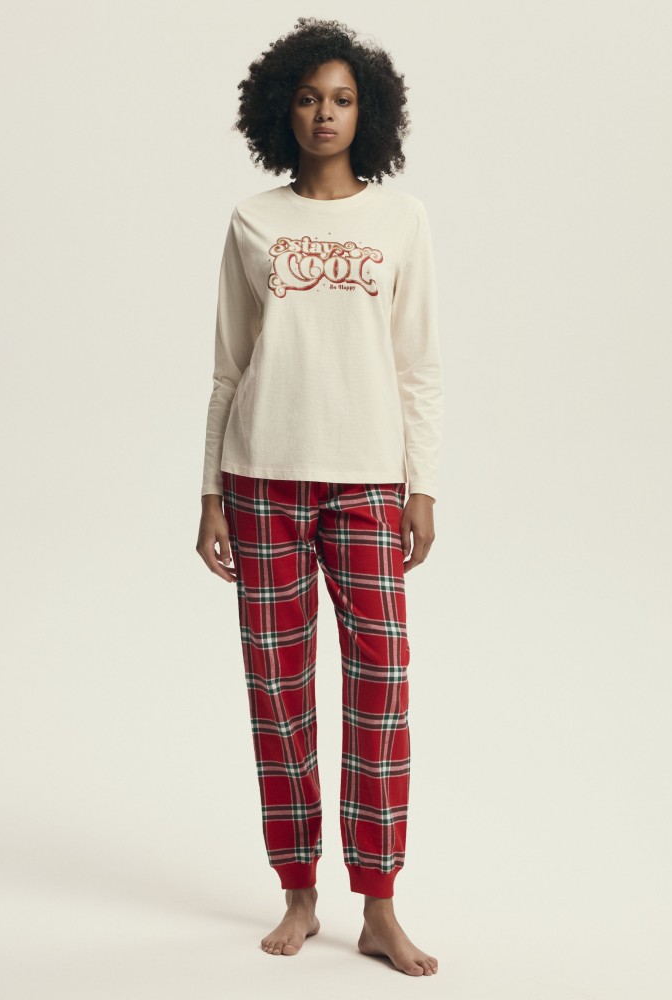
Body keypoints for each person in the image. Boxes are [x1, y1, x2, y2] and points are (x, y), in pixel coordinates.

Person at [195, 17, 442, 977]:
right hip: (261, 479)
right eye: (308, 98)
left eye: (341, 99)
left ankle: (378, 904)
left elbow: (418, 367)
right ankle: (298, 892)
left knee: (382, 684)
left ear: (367, 112)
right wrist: (210, 494)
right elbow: (228, 367)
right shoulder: (252, 221)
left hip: (368, 482)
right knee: (279, 688)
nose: (324, 114)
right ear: (281, 110)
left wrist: (422, 486)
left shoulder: (401, 221)